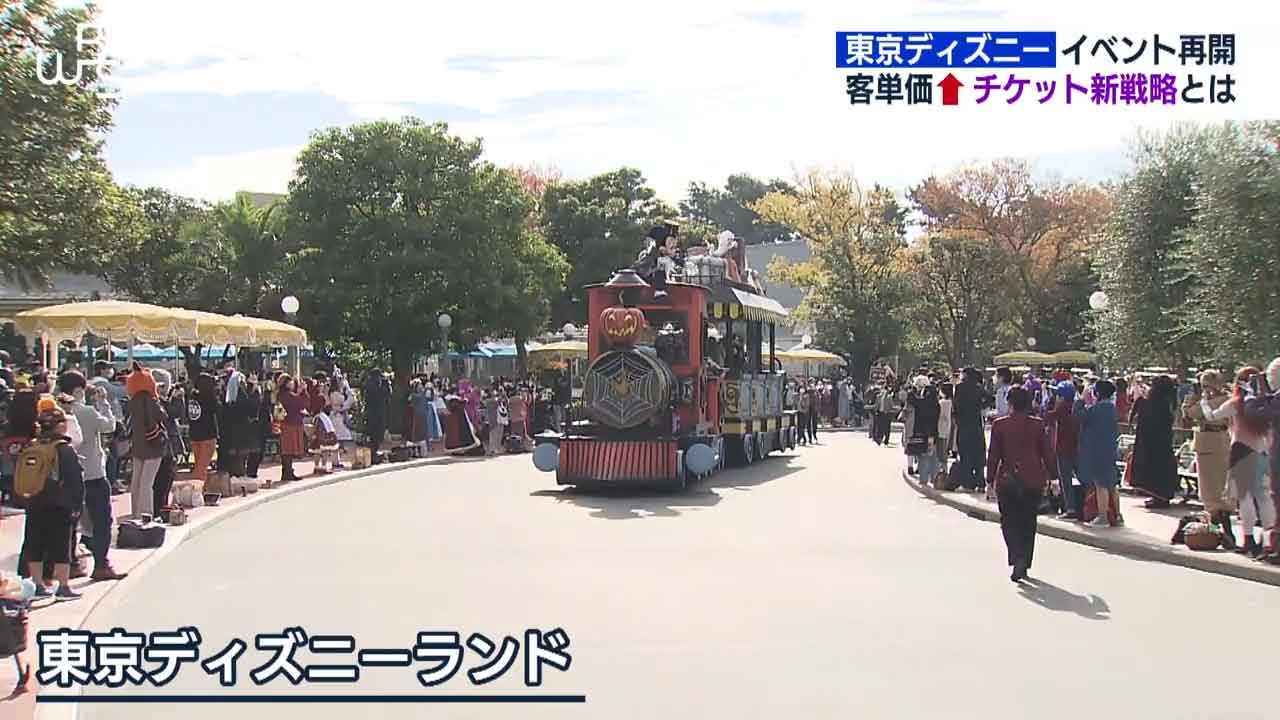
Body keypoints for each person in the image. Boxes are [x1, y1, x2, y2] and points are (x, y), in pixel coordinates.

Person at [1200, 367, 1275, 557]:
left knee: (1244, 497)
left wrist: (1204, 402)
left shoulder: (1236, 403)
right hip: (1263, 451)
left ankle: (1248, 539)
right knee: (1264, 497)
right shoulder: (1267, 403)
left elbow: (1212, 416)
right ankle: (1269, 541)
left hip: (1241, 449)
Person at [57, 371, 125, 581]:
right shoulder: (86, 411)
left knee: (69, 522)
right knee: (101, 520)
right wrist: (103, 402)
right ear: (78, 390)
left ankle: (70, 564)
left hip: (64, 474)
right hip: (93, 472)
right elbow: (109, 425)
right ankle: (101, 564)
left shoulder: (56, 411)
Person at [987, 387, 1057, 582]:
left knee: (1008, 521)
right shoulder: (1038, 424)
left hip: (1007, 478)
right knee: (1028, 521)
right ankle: (1024, 560)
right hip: (1033, 479)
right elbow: (1047, 452)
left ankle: (1016, 555)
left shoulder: (1000, 425)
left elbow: (994, 454)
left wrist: (989, 479)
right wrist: (1054, 476)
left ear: (1010, 403)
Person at [23, 406, 86, 599]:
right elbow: (75, 479)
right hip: (59, 503)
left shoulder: (32, 446)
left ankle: (37, 585)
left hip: (34, 499)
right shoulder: (63, 448)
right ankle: (63, 587)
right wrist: (77, 504)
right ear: (59, 426)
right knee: (61, 545)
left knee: (35, 543)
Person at [1183, 370, 1235, 548]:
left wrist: (1195, 400)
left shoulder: (1221, 400)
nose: (1205, 389)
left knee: (1215, 490)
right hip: (1211, 444)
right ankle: (1218, 530)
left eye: (1206, 385)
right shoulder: (1211, 400)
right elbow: (1188, 414)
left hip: (1215, 443)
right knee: (1212, 489)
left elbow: (1194, 412)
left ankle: (1223, 531)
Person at [1075, 379, 1122, 528]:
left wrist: (1081, 399)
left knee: (1100, 484)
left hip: (1097, 451)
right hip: (1109, 450)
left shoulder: (1097, 409)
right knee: (1112, 484)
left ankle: (1103, 517)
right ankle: (1117, 515)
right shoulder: (1111, 408)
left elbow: (1078, 416)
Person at [1130, 374, 1179, 508]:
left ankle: (1159, 498)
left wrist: (1140, 400)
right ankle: (1159, 497)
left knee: (1155, 470)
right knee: (1162, 469)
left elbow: (1144, 417)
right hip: (1164, 442)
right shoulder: (1169, 402)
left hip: (1153, 444)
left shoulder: (1156, 403)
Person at [126, 366, 166, 520]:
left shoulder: (132, 402)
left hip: (138, 445)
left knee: (136, 483)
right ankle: (146, 514)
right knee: (146, 483)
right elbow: (162, 416)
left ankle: (136, 514)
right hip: (153, 445)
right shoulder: (150, 400)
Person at [1044, 380, 1083, 520]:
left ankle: (1070, 508)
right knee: (1083, 478)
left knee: (1066, 481)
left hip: (1063, 449)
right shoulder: (1077, 407)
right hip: (1077, 448)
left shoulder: (1061, 408)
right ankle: (1087, 506)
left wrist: (1050, 403)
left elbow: (1047, 417)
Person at [952, 368, 989, 491]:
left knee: (965, 453)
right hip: (976, 424)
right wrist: (979, 406)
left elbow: (955, 405)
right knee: (978, 453)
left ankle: (968, 482)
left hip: (963, 424)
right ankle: (980, 481)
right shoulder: (978, 388)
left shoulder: (959, 387)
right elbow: (990, 398)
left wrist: (957, 417)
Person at [186, 373, 219, 485]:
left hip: (194, 434)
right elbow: (218, 410)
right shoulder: (209, 397)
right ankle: (196, 490)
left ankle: (200, 489)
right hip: (208, 435)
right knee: (201, 468)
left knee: (199, 465)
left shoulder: (192, 397)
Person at [277, 374, 307, 483]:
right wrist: (301, 391)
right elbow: (300, 403)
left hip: (286, 424)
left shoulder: (281, 395)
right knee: (288, 449)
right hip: (290, 424)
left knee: (287, 450)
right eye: (290, 381)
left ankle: (287, 472)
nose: (292, 383)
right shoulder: (287, 395)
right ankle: (288, 473)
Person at [910, 383, 942, 485]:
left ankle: (923, 479)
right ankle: (934, 478)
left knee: (923, 457)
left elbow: (911, 398)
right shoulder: (937, 405)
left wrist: (913, 388)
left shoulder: (921, 403)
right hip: (933, 433)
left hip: (921, 433)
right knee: (933, 456)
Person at [328, 375, 355, 468]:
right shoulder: (335, 394)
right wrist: (348, 391)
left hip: (338, 416)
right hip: (337, 417)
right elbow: (343, 404)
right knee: (337, 439)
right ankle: (335, 461)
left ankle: (336, 460)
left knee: (338, 440)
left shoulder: (336, 392)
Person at [362, 369, 390, 452]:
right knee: (374, 434)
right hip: (373, 413)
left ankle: (375, 450)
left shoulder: (380, 385)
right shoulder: (370, 385)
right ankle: (373, 451)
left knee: (379, 434)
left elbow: (387, 395)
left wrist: (386, 384)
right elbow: (378, 395)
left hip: (380, 412)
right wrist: (384, 384)